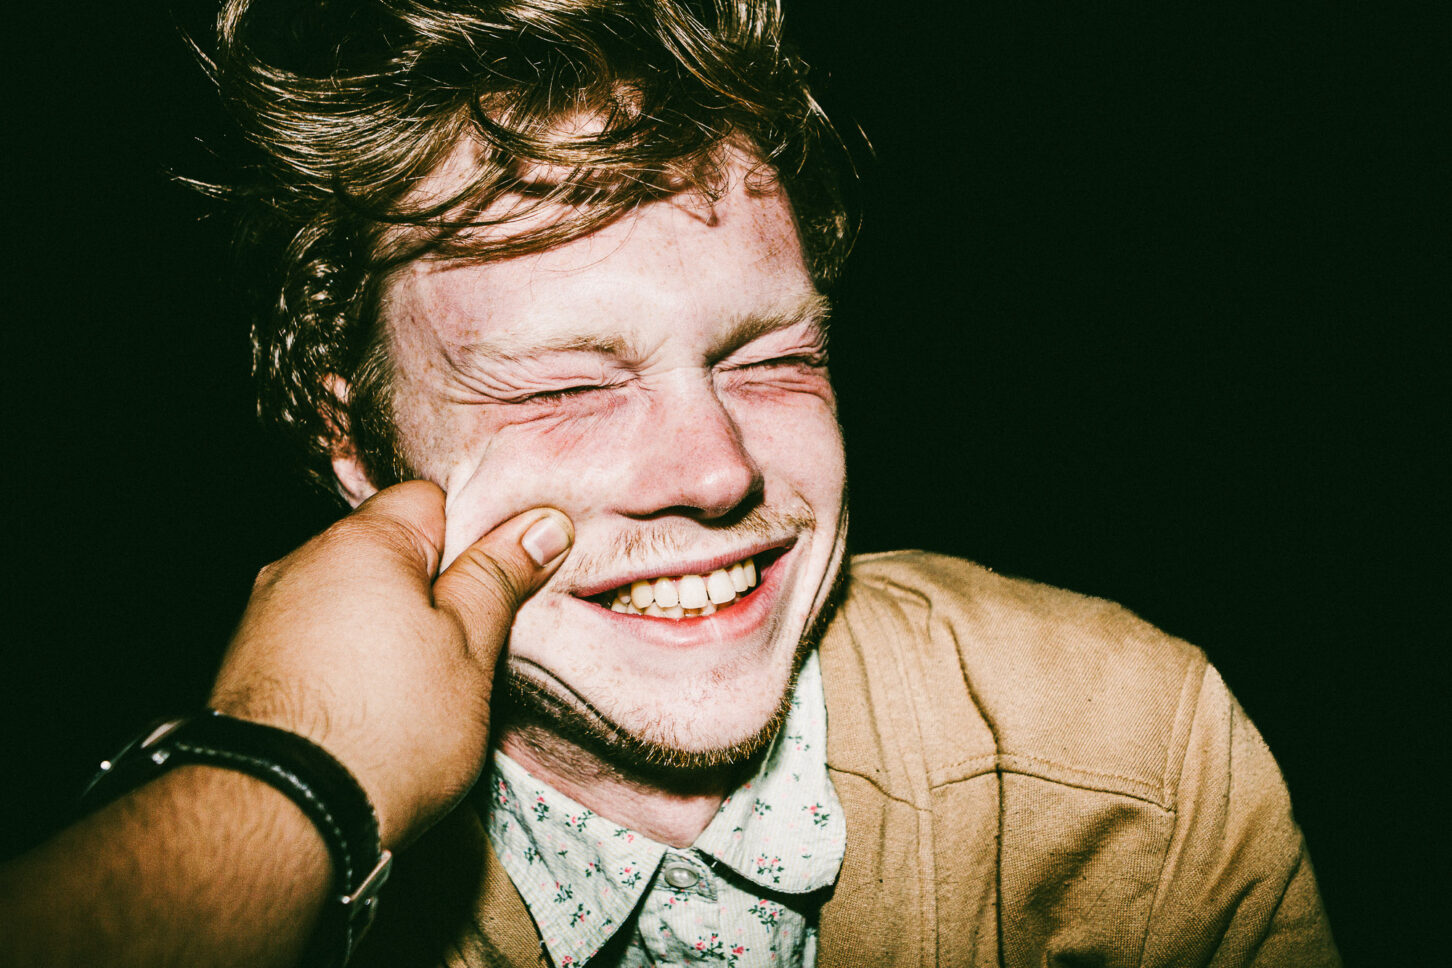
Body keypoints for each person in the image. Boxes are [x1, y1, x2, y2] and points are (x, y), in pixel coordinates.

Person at [0, 1, 1339, 965]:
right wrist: (293, 791)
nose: (717, 471)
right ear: (352, 448)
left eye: (767, 360)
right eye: (564, 388)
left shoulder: (1124, 756)